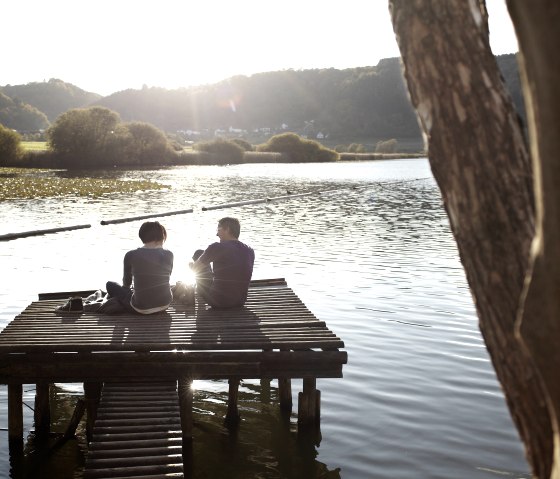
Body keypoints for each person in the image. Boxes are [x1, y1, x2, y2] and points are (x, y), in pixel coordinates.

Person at [106, 221, 174, 314]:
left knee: (110, 285)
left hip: (140, 308)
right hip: (165, 304)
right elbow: (166, 276)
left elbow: (126, 283)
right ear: (158, 237)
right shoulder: (169, 254)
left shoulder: (131, 255)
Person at [190, 217, 255, 309]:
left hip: (218, 301)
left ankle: (200, 306)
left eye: (219, 230)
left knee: (199, 253)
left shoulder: (216, 247)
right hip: (240, 302)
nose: (217, 234)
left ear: (227, 229)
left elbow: (195, 269)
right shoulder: (250, 250)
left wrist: (191, 265)